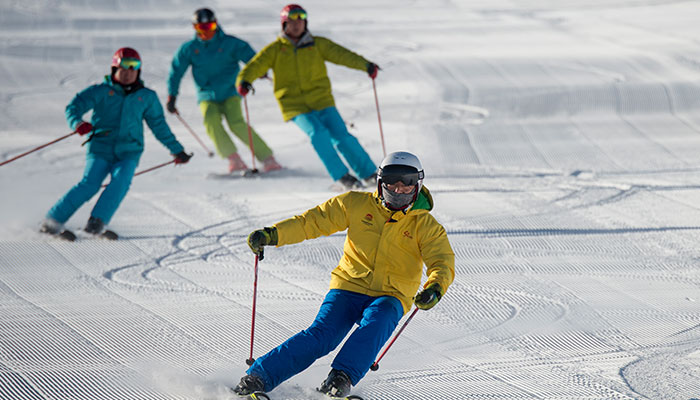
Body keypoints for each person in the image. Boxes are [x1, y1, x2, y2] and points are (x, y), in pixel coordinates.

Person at [232, 151, 455, 397]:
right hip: (349, 287)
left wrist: (435, 288)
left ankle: (340, 379)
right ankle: (257, 378)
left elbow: (442, 262)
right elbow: (313, 221)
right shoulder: (356, 204)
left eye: (407, 181)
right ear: (381, 182)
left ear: (418, 184)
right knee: (322, 335)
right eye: (393, 180)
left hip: (391, 295)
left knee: (377, 323)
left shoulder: (426, 226)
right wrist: (273, 234)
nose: (399, 187)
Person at [39, 47, 191, 240]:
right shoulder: (101, 91)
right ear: (114, 70)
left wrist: (177, 150)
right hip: (100, 149)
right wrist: (78, 123)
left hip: (129, 151)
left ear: (138, 71)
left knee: (120, 182)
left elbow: (159, 127)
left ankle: (96, 225)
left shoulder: (146, 97)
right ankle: (51, 223)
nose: (128, 73)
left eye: (133, 69)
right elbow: (74, 106)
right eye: (123, 69)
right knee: (90, 184)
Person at [236, 4, 380, 190]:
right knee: (318, 134)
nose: (296, 26)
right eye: (291, 22)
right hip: (294, 105)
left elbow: (342, 55)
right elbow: (255, 66)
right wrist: (244, 81)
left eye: (300, 21)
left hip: (322, 100)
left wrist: (365, 65)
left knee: (341, 136)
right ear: (284, 25)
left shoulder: (318, 44)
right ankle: (342, 177)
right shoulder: (275, 50)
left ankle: (368, 174)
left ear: (305, 23)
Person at [167, 8, 282, 174]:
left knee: (236, 123)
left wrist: (260, 71)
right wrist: (172, 96)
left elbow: (251, 58)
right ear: (195, 28)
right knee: (211, 121)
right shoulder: (190, 49)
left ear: (216, 25)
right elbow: (175, 72)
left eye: (211, 26)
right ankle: (234, 159)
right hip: (206, 93)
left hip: (230, 91)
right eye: (202, 28)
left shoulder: (230, 43)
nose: (207, 32)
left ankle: (267, 158)